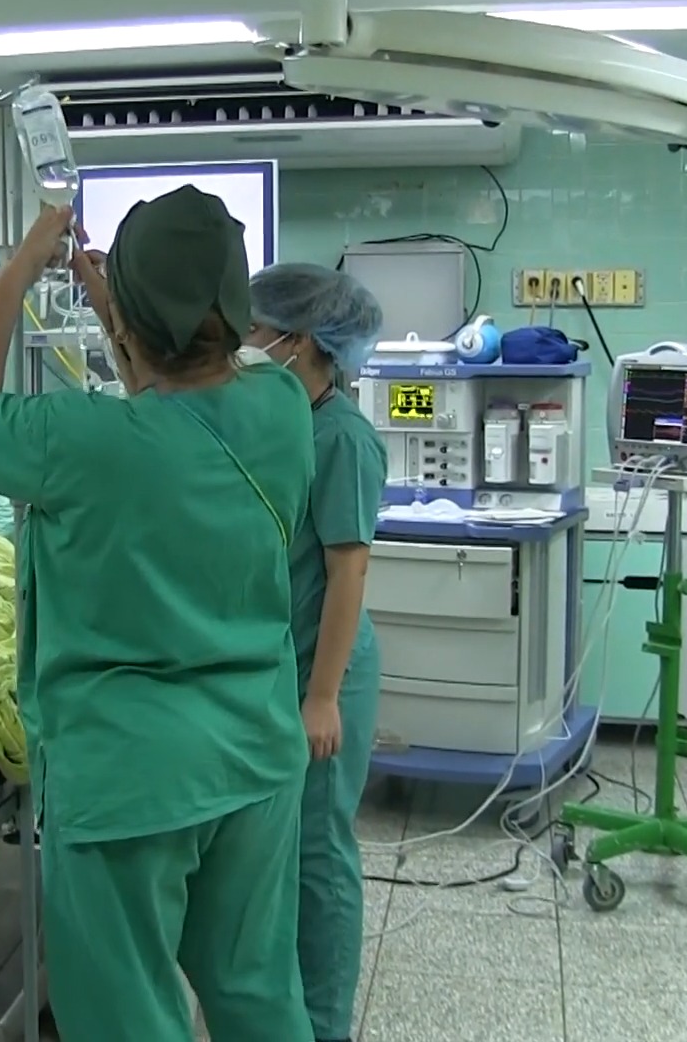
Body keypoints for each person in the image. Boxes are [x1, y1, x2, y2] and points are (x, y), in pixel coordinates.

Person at [0, 187, 315, 1041]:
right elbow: (172, 398)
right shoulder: (282, 407)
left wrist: (22, 267)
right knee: (257, 991)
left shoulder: (79, 442)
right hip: (255, 758)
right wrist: (115, 302)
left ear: (132, 326)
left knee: (128, 1015)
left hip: (127, 780)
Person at [244, 262, 387, 1042]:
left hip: (326, 670)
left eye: (253, 330)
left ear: (297, 342)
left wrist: (323, 695)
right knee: (282, 854)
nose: (242, 343)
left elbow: (347, 570)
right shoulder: (284, 420)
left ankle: (325, 1027)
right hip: (285, 665)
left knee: (320, 856)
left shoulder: (343, 437)